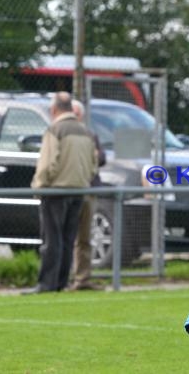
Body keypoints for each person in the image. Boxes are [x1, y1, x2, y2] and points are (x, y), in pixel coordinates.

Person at [27, 92, 97, 293]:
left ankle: (46, 283)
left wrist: (39, 186)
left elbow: (48, 163)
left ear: (54, 109)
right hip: (79, 191)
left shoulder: (55, 129)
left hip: (56, 191)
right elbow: (93, 166)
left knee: (52, 239)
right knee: (68, 240)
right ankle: (61, 282)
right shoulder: (86, 132)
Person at [70, 99, 106, 291]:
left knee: (84, 237)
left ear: (81, 115)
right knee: (66, 237)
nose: (74, 116)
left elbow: (101, 158)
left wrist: (92, 155)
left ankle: (82, 279)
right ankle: (62, 278)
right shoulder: (60, 133)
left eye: (76, 113)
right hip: (68, 190)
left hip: (88, 190)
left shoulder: (90, 134)